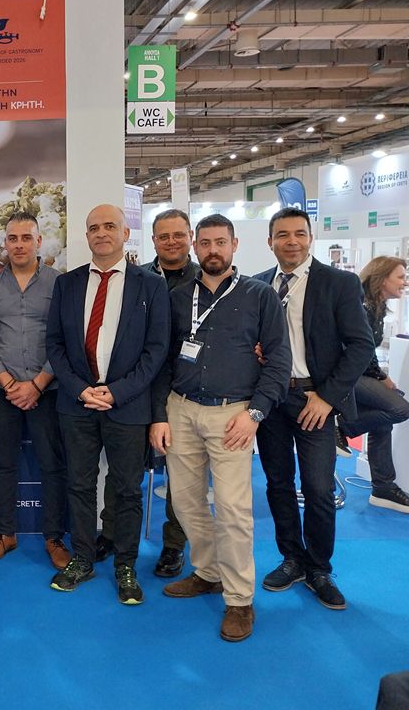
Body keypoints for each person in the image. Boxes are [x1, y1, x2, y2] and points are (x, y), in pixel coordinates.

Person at [150, 214, 291, 642]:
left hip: (234, 415)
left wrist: (255, 414)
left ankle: (240, 599)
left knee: (232, 510)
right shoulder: (177, 298)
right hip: (181, 409)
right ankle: (208, 572)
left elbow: (279, 362)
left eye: (220, 243)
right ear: (195, 246)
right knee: (186, 503)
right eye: (205, 243)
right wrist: (159, 415)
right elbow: (161, 360)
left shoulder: (260, 296)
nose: (213, 250)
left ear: (234, 245)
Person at [46, 204, 169, 605]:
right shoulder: (67, 284)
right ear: (86, 236)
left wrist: (117, 392)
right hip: (76, 403)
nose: (101, 233)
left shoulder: (150, 286)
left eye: (110, 226)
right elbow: (54, 345)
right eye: (94, 227)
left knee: (127, 489)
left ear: (125, 232)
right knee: (79, 485)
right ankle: (82, 558)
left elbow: (156, 350)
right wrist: (80, 389)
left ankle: (125, 564)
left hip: (127, 405)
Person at [253, 207, 374, 610]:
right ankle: (292, 558)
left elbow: (361, 346)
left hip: (314, 399)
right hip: (272, 398)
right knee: (277, 483)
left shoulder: (338, 283)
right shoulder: (258, 285)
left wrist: (327, 398)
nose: (291, 241)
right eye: (282, 234)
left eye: (299, 234)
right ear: (270, 241)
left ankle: (319, 567)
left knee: (319, 487)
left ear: (310, 238)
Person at [98, 208, 199, 577]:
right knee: (123, 471)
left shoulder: (205, 282)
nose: (171, 242)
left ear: (190, 237)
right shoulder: (135, 278)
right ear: (153, 240)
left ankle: (173, 545)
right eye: (163, 236)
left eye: (178, 235)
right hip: (136, 388)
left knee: (180, 475)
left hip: (183, 389)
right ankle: (110, 533)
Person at [0, 211, 68, 570]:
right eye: (12, 238)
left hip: (48, 389)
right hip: (3, 390)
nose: (19, 245)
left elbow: (65, 339)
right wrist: (10, 384)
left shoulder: (59, 284)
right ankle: (5, 534)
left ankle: (54, 537)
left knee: (52, 464)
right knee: (3, 463)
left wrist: (38, 384)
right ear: (5, 243)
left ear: (38, 241)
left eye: (26, 238)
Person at [340, 256, 409, 512]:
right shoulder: (361, 306)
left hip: (361, 374)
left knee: (384, 421)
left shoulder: (376, 307)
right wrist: (382, 378)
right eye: (400, 277)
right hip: (345, 376)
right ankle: (341, 427)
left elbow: (367, 352)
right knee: (400, 408)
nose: (405, 282)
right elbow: (356, 351)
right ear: (382, 278)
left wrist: (381, 377)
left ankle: (383, 487)